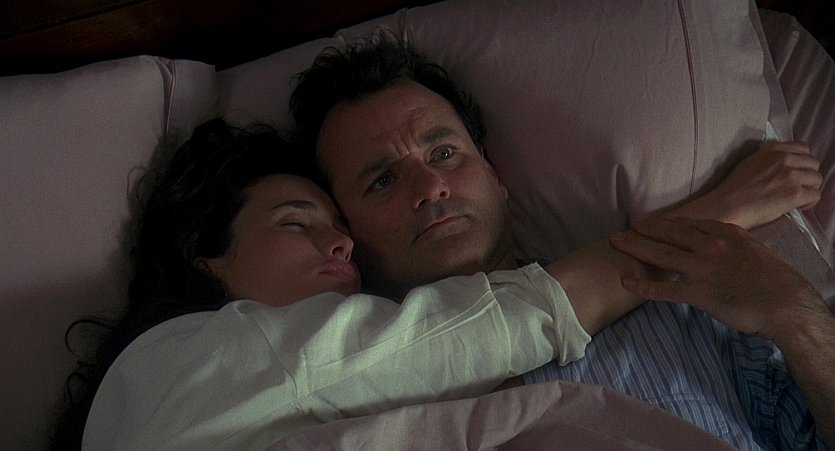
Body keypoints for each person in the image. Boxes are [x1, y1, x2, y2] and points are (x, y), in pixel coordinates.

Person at [289, 33, 834, 449]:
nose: (430, 186)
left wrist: (796, 315)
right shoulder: (340, 386)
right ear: (346, 234)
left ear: (495, 176)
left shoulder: (677, 303)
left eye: (444, 153)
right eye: (383, 180)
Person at [52, 118, 663, 450]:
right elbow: (484, 328)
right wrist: (695, 232)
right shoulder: (197, 357)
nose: (342, 244)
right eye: (296, 223)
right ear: (205, 259)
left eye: (341, 227)